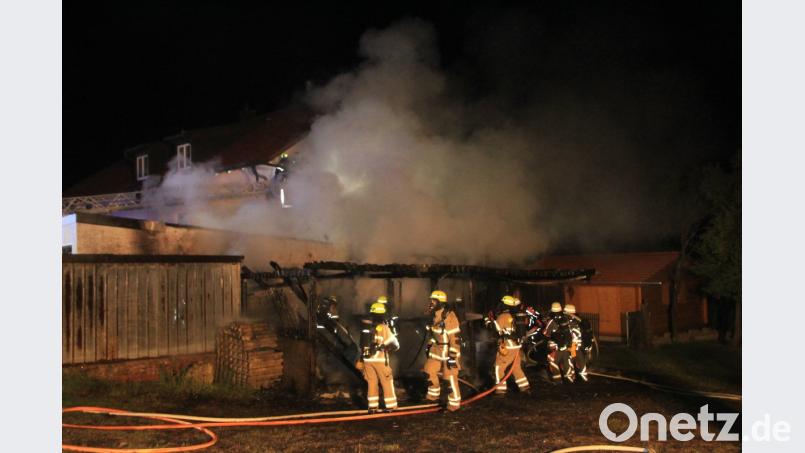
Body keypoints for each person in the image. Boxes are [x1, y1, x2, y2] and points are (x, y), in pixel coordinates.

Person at [422, 290, 462, 411]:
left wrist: (453, 356)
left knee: (449, 378)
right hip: (436, 350)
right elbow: (434, 335)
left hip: (448, 352)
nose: (431, 302)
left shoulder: (449, 316)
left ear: (440, 302)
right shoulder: (434, 316)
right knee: (428, 370)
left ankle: (454, 403)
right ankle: (433, 396)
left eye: (433, 300)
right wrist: (429, 345)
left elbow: (455, 338)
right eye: (431, 300)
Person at [357, 302, 400, 413]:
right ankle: (391, 406)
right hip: (380, 360)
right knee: (386, 381)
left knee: (372, 382)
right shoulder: (384, 328)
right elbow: (395, 345)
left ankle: (372, 407)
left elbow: (361, 344)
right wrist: (385, 347)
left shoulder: (365, 327)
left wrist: (361, 358)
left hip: (367, 360)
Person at [491, 295, 531, 395]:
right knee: (516, 367)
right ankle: (525, 387)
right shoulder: (515, 315)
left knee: (498, 367)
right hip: (516, 346)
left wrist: (489, 321)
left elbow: (496, 330)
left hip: (508, 347)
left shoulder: (503, 316)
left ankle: (500, 390)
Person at [543, 302, 574, 382]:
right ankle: (570, 379)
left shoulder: (551, 321)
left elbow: (546, 333)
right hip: (566, 345)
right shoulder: (565, 319)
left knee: (553, 362)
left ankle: (558, 380)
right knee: (566, 362)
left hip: (555, 347)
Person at [564, 304, 592, 382]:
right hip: (579, 345)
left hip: (573, 345)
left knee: (569, 360)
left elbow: (573, 334)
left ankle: (571, 378)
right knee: (580, 360)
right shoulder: (578, 321)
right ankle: (584, 377)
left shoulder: (570, 322)